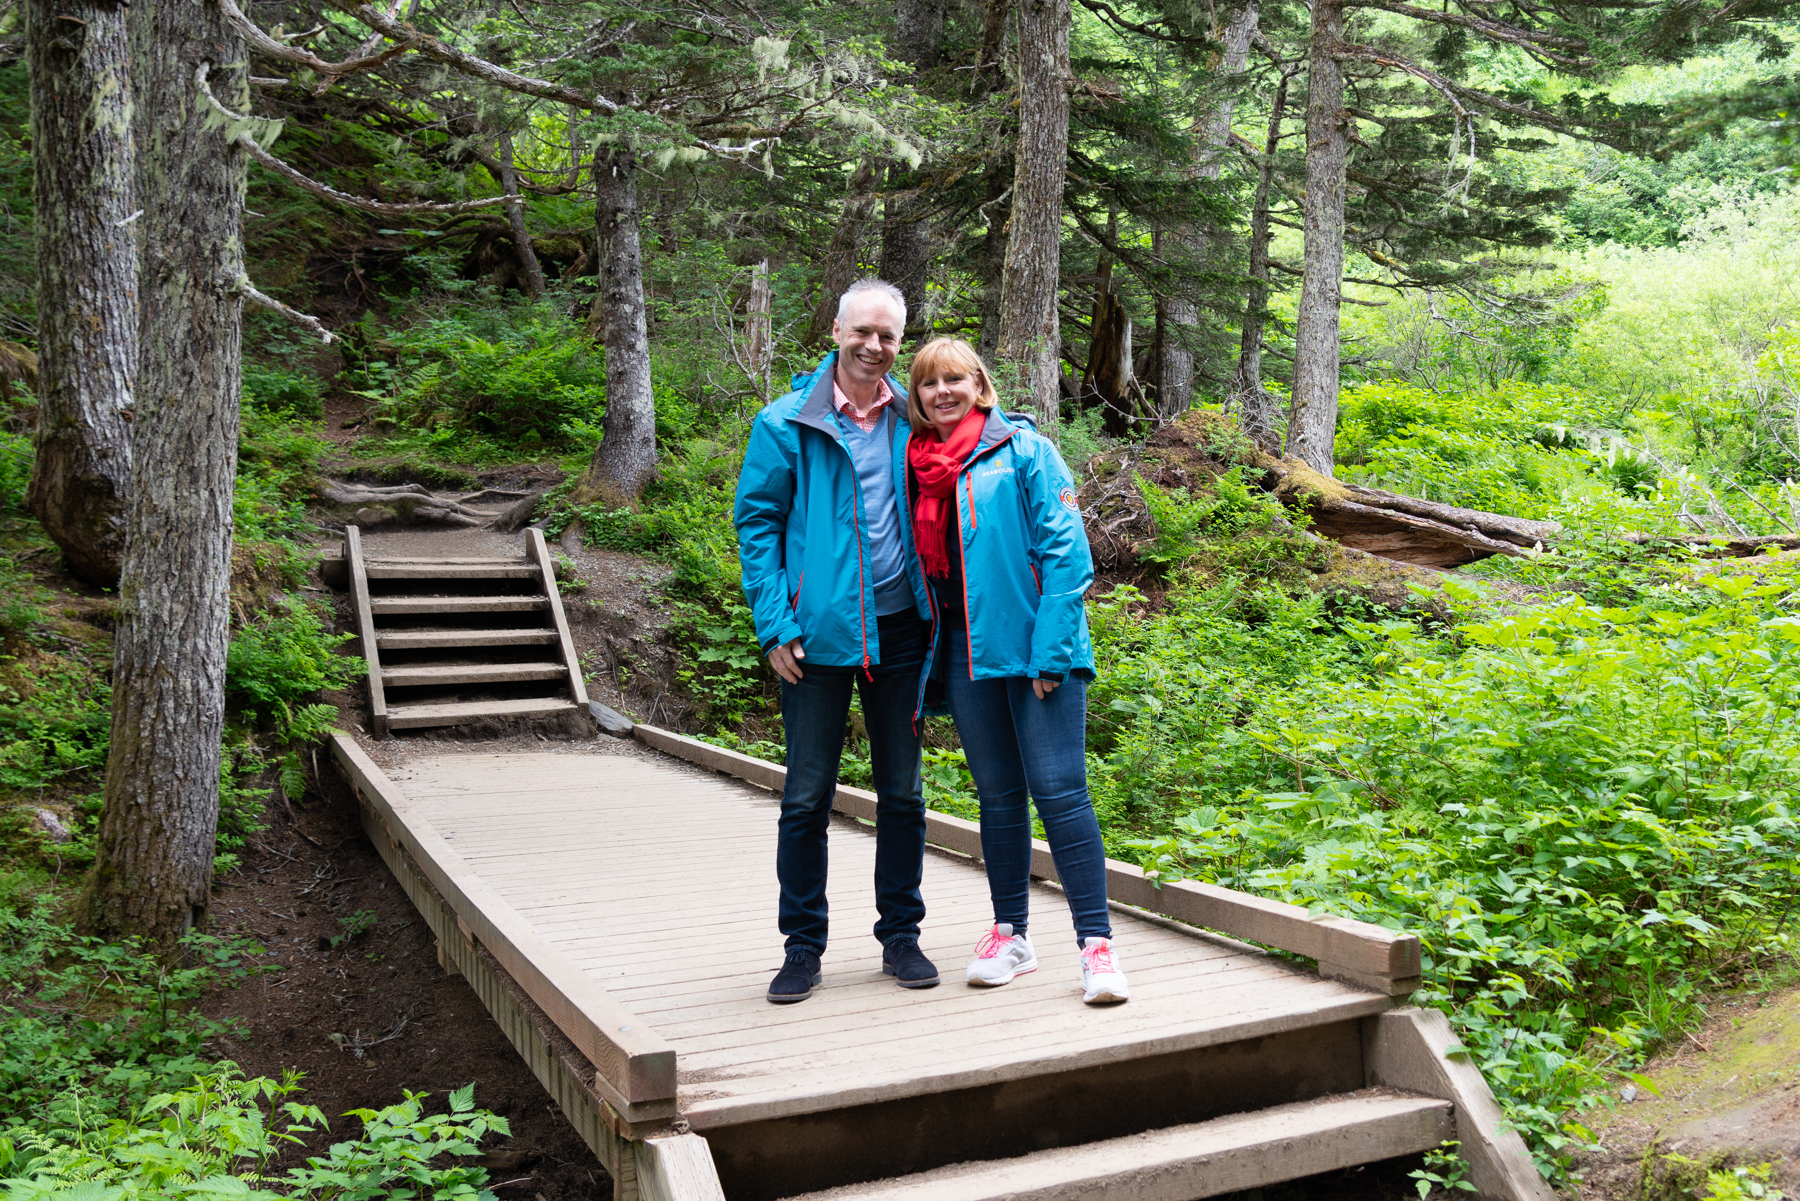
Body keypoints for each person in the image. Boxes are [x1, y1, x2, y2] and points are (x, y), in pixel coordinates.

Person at [904, 337, 1129, 1005]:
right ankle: (1011, 934)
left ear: (980, 384)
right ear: (916, 396)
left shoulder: (1025, 450)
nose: (942, 391)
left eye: (954, 379)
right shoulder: (916, 466)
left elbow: (1069, 555)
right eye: (928, 383)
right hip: (966, 653)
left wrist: (1051, 652)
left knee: (1060, 790)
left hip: (1036, 650)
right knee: (997, 795)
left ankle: (1097, 947)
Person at [734, 279, 940, 1004]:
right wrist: (774, 622)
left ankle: (901, 936)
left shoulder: (914, 420)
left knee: (904, 793)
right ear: (836, 329)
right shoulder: (786, 422)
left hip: (902, 631)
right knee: (806, 796)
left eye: (888, 336)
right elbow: (757, 526)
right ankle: (802, 946)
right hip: (815, 634)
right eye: (863, 332)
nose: (874, 346)